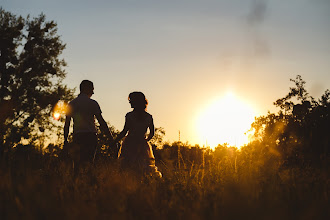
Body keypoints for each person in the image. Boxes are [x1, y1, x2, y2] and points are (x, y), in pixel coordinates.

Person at [64, 80, 114, 174]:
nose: (93, 92)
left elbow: (67, 124)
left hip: (78, 136)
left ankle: (77, 185)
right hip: (91, 136)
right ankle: (89, 184)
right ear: (87, 89)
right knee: (89, 163)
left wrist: (65, 140)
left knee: (77, 165)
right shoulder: (93, 103)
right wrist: (110, 138)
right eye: (92, 89)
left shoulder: (72, 103)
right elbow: (102, 122)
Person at [112, 92, 161, 177]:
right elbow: (152, 133)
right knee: (142, 168)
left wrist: (114, 141)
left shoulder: (129, 115)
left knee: (127, 167)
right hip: (141, 144)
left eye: (131, 100)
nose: (129, 102)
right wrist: (145, 141)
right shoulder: (148, 116)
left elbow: (124, 131)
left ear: (136, 101)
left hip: (129, 144)